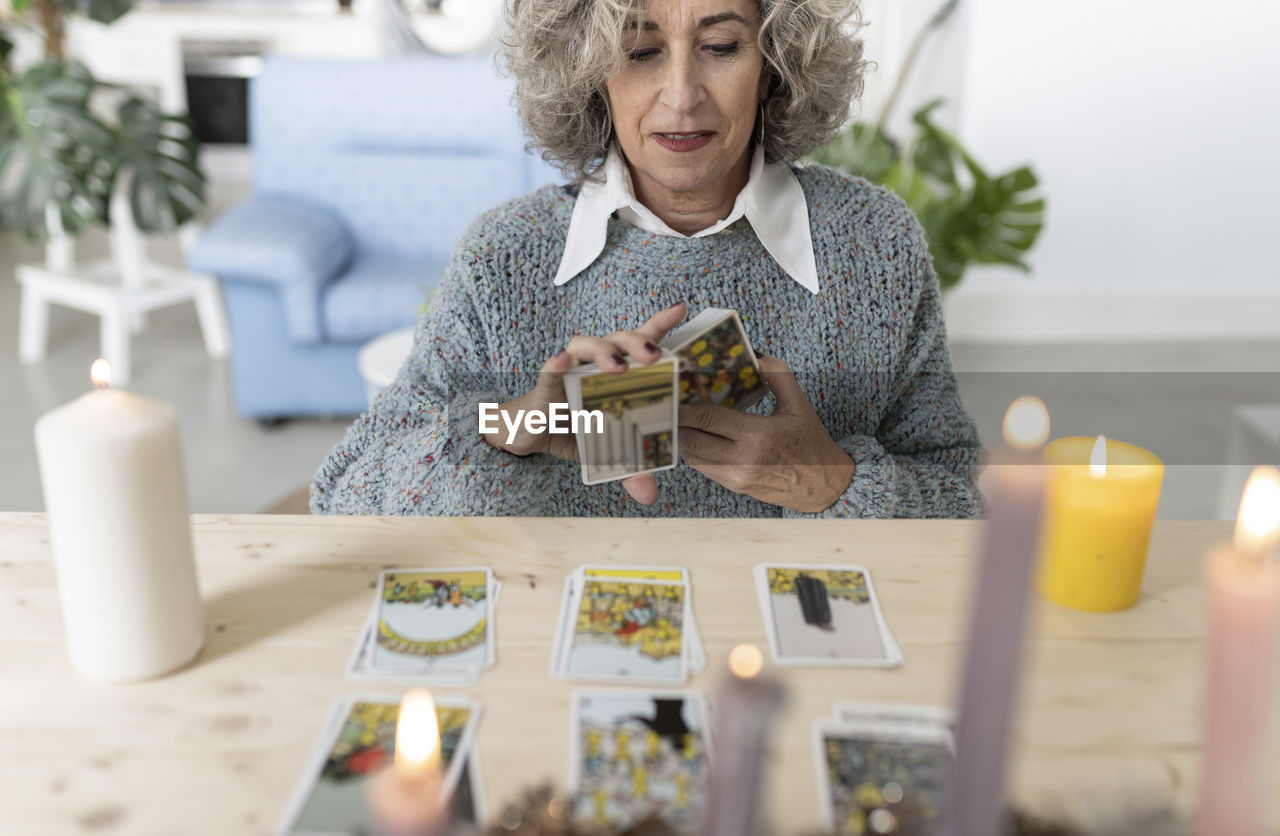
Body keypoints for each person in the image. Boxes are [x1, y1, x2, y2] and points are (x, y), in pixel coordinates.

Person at [311, 0, 983, 518]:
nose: (682, 95)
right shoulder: (505, 256)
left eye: (721, 46)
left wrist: (836, 481)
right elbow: (343, 495)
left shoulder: (876, 244)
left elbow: (965, 500)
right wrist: (509, 427)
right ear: (585, 65)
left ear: (776, 60)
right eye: (639, 51)